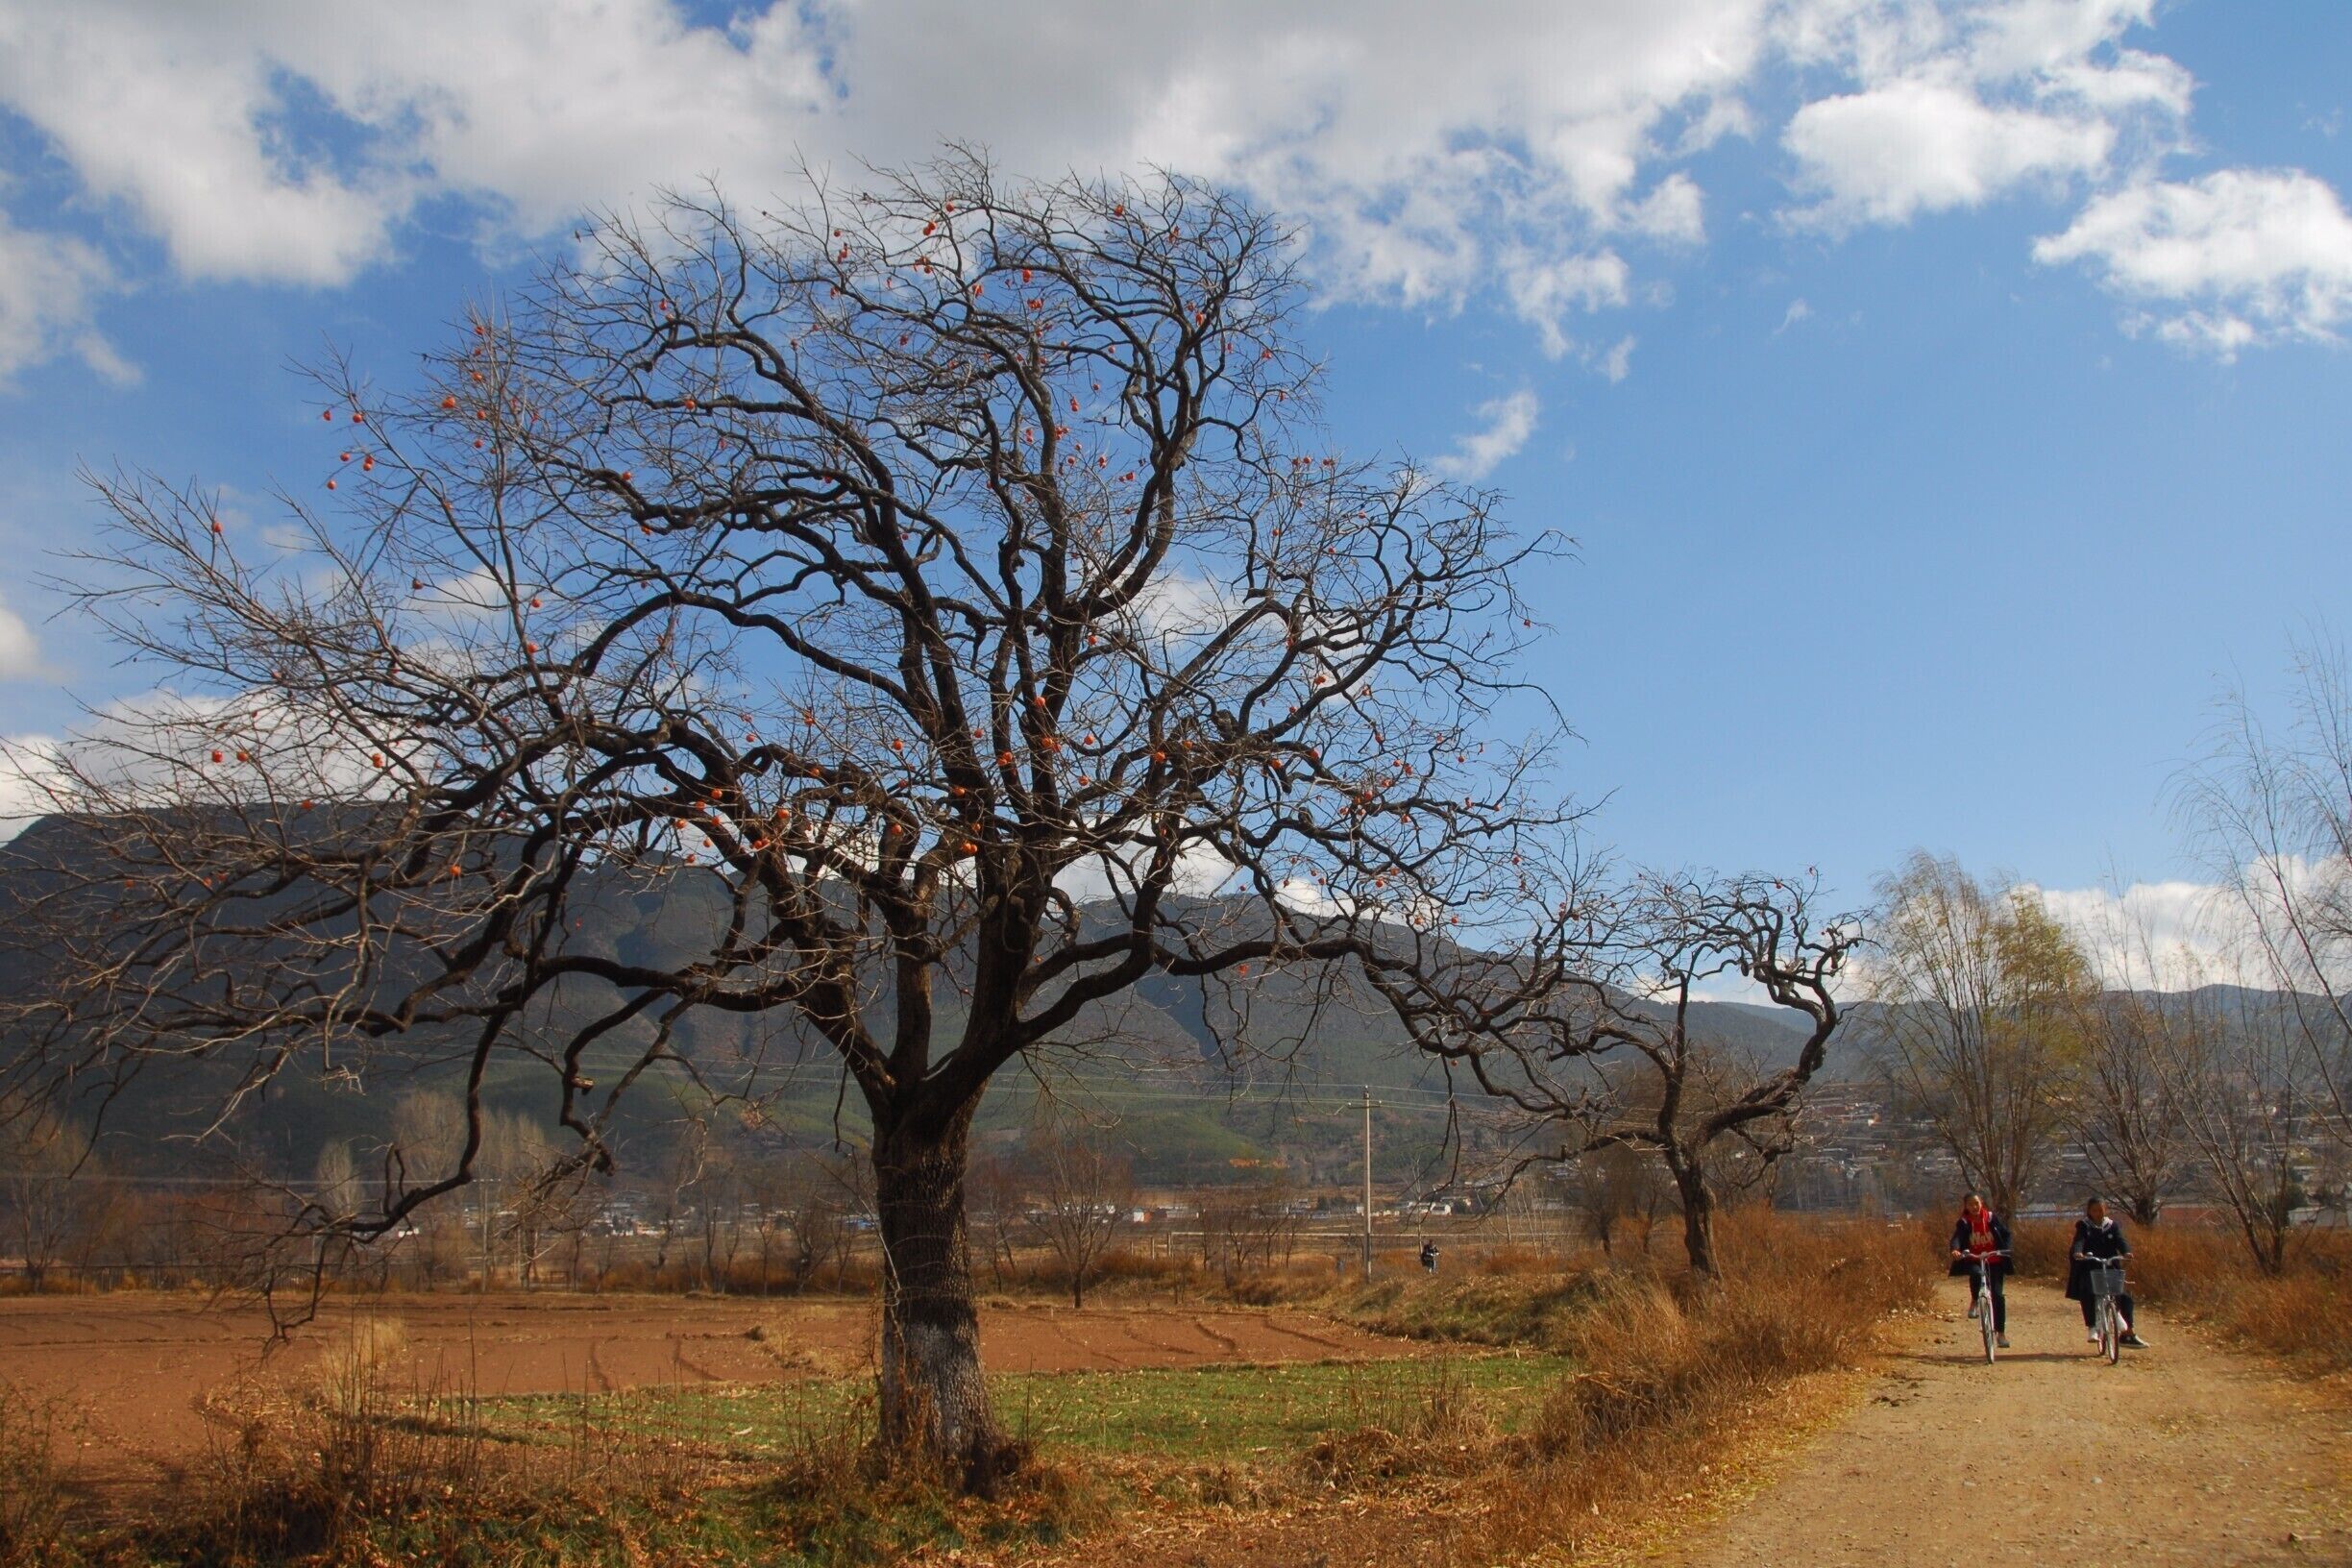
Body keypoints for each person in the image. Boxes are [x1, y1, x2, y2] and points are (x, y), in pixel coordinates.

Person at [2067, 1196, 2148, 1350]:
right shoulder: (2084, 1226)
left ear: (2106, 1209)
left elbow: (2120, 1241)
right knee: (2088, 1292)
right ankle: (2092, 1327)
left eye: (2100, 1210)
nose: (2097, 1213)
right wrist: (2078, 1253)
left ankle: (2128, 1333)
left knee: (2124, 1297)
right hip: (2090, 1267)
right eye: (2094, 1210)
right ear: (2089, 1211)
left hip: (2110, 1266)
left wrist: (2126, 1252)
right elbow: (2079, 1241)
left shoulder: (2112, 1226)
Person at [1948, 1191, 2011, 1348]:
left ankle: (2001, 1334)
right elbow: (1956, 1238)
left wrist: (2007, 1249)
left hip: (1994, 1260)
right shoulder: (1964, 1222)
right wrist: (1955, 1249)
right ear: (1966, 1206)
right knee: (1977, 1273)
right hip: (1974, 1259)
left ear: (1981, 1203)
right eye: (1970, 1204)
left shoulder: (1990, 1218)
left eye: (1976, 1203)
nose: (1974, 1207)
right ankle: (1975, 1300)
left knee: (1997, 1295)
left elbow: (2006, 1233)